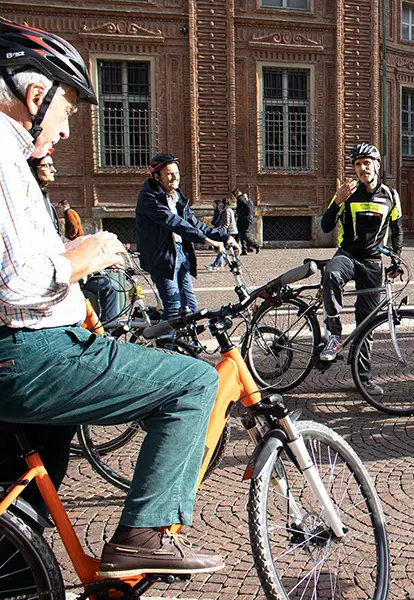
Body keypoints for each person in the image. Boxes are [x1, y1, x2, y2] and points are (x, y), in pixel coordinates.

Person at [0, 19, 223, 576]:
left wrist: (74, 257)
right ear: (35, 95)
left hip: (32, 348)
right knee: (195, 384)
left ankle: (20, 568)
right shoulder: (4, 156)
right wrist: (88, 255)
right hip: (32, 354)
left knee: (36, 479)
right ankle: (140, 539)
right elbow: (16, 282)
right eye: (69, 110)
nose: (69, 128)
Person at [319, 143, 403, 395]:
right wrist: (337, 202)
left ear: (377, 164)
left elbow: (397, 230)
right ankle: (333, 335)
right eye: (357, 164)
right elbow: (325, 226)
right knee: (331, 273)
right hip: (347, 255)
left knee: (367, 323)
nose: (362, 168)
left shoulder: (390, 195)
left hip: (372, 263)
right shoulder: (347, 192)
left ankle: (363, 377)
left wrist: (396, 259)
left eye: (367, 162)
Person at [136, 153, 238, 320]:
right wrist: (206, 240)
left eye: (176, 173)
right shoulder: (149, 198)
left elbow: (196, 224)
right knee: (174, 308)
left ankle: (187, 345)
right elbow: (174, 222)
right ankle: (166, 346)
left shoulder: (177, 198)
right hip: (162, 257)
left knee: (190, 307)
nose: (175, 177)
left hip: (180, 254)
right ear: (157, 177)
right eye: (169, 173)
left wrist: (224, 237)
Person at [28, 154, 121, 322]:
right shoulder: (33, 198)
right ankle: (109, 330)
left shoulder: (43, 197)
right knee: (108, 288)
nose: (53, 169)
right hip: (52, 270)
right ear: (32, 170)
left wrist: (83, 243)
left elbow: (58, 237)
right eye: (47, 166)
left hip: (64, 258)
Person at [206, 198, 236, 271]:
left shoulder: (227, 211)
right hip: (229, 231)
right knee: (224, 249)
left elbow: (226, 223)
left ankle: (217, 264)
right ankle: (223, 263)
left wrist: (221, 230)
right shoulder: (228, 210)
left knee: (223, 249)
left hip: (229, 232)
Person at [233, 188, 259, 254]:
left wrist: (241, 196)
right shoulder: (243, 200)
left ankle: (255, 245)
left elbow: (244, 204)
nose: (235, 197)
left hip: (247, 219)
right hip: (242, 219)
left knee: (244, 234)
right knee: (241, 234)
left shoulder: (243, 199)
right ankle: (244, 250)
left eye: (235, 195)